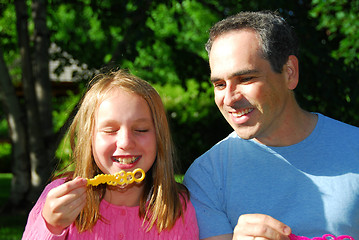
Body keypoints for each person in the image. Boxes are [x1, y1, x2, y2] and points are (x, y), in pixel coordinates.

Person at [183, 10, 359, 240]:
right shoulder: (206, 176)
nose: (229, 98)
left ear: (289, 73)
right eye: (219, 84)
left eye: (246, 79)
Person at [22, 69, 199, 239]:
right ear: (89, 138)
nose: (126, 142)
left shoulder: (179, 208)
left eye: (141, 129)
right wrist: (52, 225)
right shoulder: (60, 197)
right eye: (110, 130)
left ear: (160, 138)